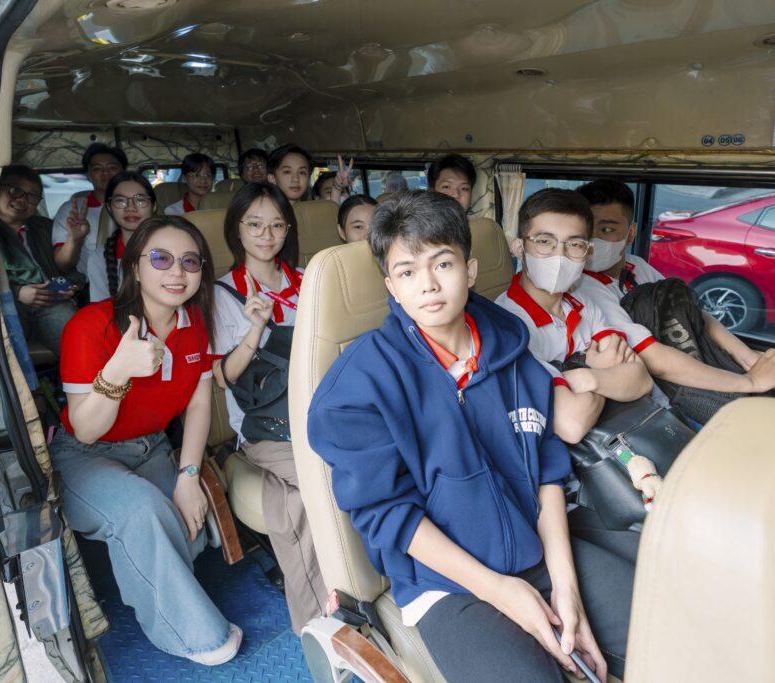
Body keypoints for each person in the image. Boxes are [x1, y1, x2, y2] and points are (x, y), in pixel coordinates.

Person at [308, 191, 633, 683]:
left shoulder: (510, 348)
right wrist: (500, 591)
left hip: (536, 548)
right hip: (444, 583)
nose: (428, 285)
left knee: (666, 625)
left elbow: (546, 467)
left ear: (470, 269)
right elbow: (388, 514)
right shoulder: (359, 385)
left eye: (443, 264)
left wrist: (565, 587)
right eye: (407, 272)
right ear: (391, 286)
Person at [52, 215, 243, 665]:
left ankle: (163, 565)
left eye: (190, 261)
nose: (177, 272)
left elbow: (199, 406)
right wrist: (118, 370)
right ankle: (197, 637)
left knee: (187, 526)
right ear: (135, 267)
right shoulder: (89, 325)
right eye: (160, 258)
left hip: (151, 446)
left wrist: (189, 476)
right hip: (84, 455)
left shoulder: (196, 324)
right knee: (143, 512)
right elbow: (87, 429)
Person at [211, 182, 326, 633]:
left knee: (298, 498)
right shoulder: (224, 294)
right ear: (237, 229)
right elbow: (223, 376)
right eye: (255, 224)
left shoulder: (308, 281)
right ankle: (320, 621)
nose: (267, 235)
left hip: (321, 411)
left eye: (277, 225)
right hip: (267, 425)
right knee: (324, 480)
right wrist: (255, 330)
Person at [572, 180, 775, 396]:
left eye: (607, 229)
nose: (594, 239)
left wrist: (749, 359)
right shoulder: (583, 288)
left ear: (631, 234)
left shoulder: (637, 266)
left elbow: (692, 313)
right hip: (660, 392)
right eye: (587, 229)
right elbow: (655, 359)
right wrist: (749, 382)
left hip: (689, 365)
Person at [495, 189, 652, 444]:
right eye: (544, 241)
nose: (559, 256)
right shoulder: (509, 325)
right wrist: (600, 370)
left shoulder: (583, 302)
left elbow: (642, 380)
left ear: (588, 253)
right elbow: (572, 424)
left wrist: (587, 378)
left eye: (574, 244)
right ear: (519, 248)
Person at [0, 164, 78, 356]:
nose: (22, 200)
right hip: (8, 303)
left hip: (52, 302)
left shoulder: (45, 227)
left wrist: (71, 285)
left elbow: (72, 270)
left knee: (77, 339)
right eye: (15, 191)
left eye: (32, 196)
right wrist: (17, 292)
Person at [53, 143, 128, 279]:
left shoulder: (137, 207)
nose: (105, 173)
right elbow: (63, 265)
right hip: (91, 285)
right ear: (88, 175)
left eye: (112, 167)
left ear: (123, 172)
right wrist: (75, 240)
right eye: (97, 168)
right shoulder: (72, 210)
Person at [86, 171, 157, 302]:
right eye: (120, 201)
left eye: (140, 200)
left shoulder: (173, 250)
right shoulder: (98, 259)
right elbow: (100, 310)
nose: (130, 207)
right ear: (109, 208)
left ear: (154, 206)